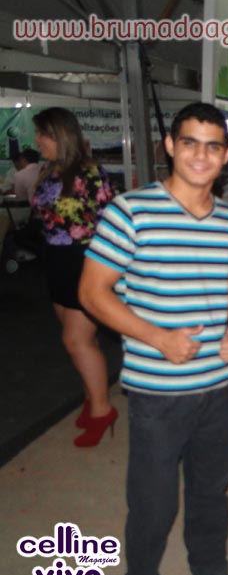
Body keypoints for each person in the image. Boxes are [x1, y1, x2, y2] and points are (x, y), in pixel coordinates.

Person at [79, 102, 228, 575]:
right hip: (157, 393)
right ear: (171, 146)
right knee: (153, 503)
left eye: (213, 146)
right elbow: (92, 293)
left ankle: (209, 574)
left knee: (211, 492)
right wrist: (159, 338)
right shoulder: (131, 211)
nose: (201, 155)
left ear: (226, 155)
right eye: (190, 142)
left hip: (217, 388)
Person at [31, 107, 115, 447]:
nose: (37, 140)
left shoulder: (90, 173)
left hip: (85, 261)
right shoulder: (49, 171)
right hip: (56, 261)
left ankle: (103, 411)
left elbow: (111, 223)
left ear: (60, 135)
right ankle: (93, 399)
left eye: (43, 134)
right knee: (80, 342)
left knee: (75, 340)